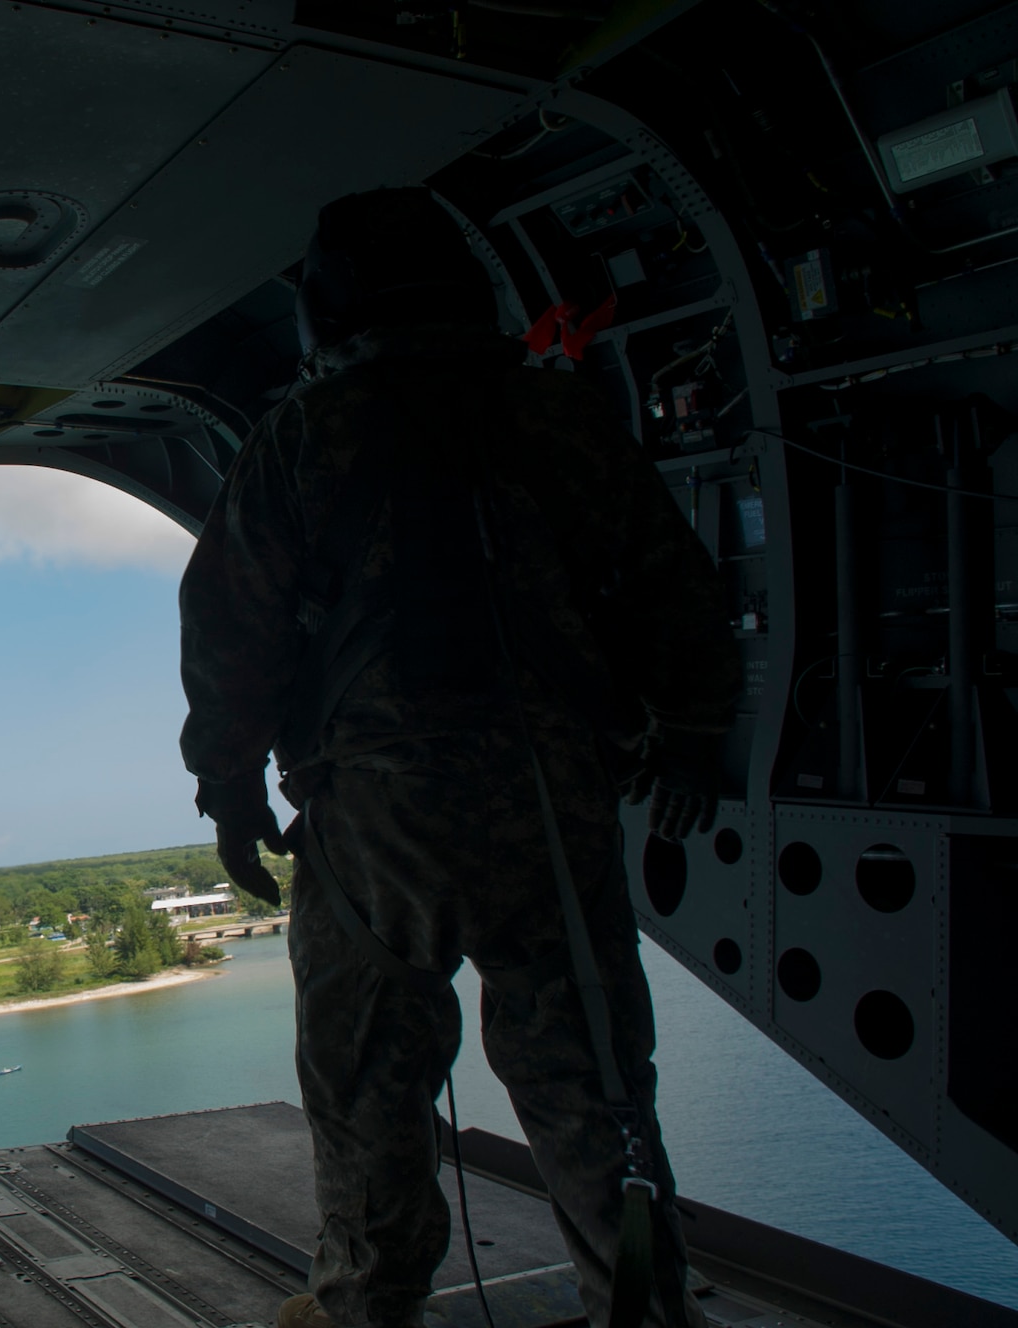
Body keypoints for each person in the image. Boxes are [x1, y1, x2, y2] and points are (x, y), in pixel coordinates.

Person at [178, 187, 739, 1328]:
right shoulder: (560, 418)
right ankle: (643, 1306)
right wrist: (685, 734)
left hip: (377, 820)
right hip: (551, 801)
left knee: (368, 1090)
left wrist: (229, 788)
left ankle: (364, 1307)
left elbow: (230, 631)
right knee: (594, 1094)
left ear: (325, 313)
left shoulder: (301, 439)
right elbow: (674, 588)